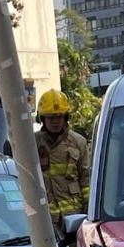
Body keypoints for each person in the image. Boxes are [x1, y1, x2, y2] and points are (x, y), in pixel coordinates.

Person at [35, 89, 91, 231]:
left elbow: (86, 179)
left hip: (75, 217)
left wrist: (90, 211)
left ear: (66, 117)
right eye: (51, 117)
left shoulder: (78, 142)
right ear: (42, 118)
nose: (55, 121)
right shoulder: (31, 143)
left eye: (59, 117)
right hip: (44, 218)